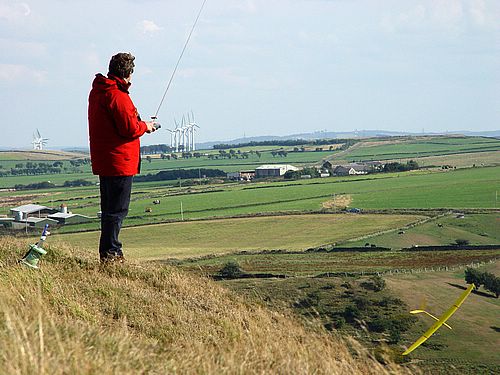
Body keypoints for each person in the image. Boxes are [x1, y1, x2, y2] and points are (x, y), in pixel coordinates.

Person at [88, 52, 156, 263]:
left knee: (109, 210)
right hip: (119, 161)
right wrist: (146, 126)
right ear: (128, 73)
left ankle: (109, 250)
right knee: (117, 210)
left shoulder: (99, 91)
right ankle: (111, 252)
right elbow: (128, 128)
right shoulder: (117, 95)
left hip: (106, 159)